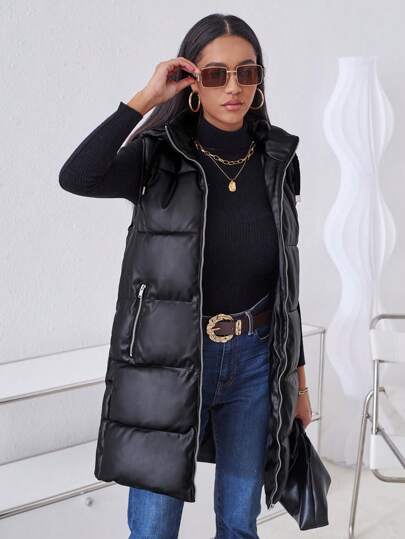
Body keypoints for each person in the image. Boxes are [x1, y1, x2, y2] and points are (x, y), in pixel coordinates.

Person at [59, 13, 312, 539]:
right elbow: (78, 176)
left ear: (260, 79)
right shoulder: (158, 155)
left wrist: (299, 384)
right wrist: (146, 98)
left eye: (246, 72)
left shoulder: (278, 158)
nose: (234, 87)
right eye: (216, 74)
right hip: (171, 360)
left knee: (240, 523)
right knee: (154, 528)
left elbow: (286, 283)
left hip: (256, 358)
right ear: (191, 81)